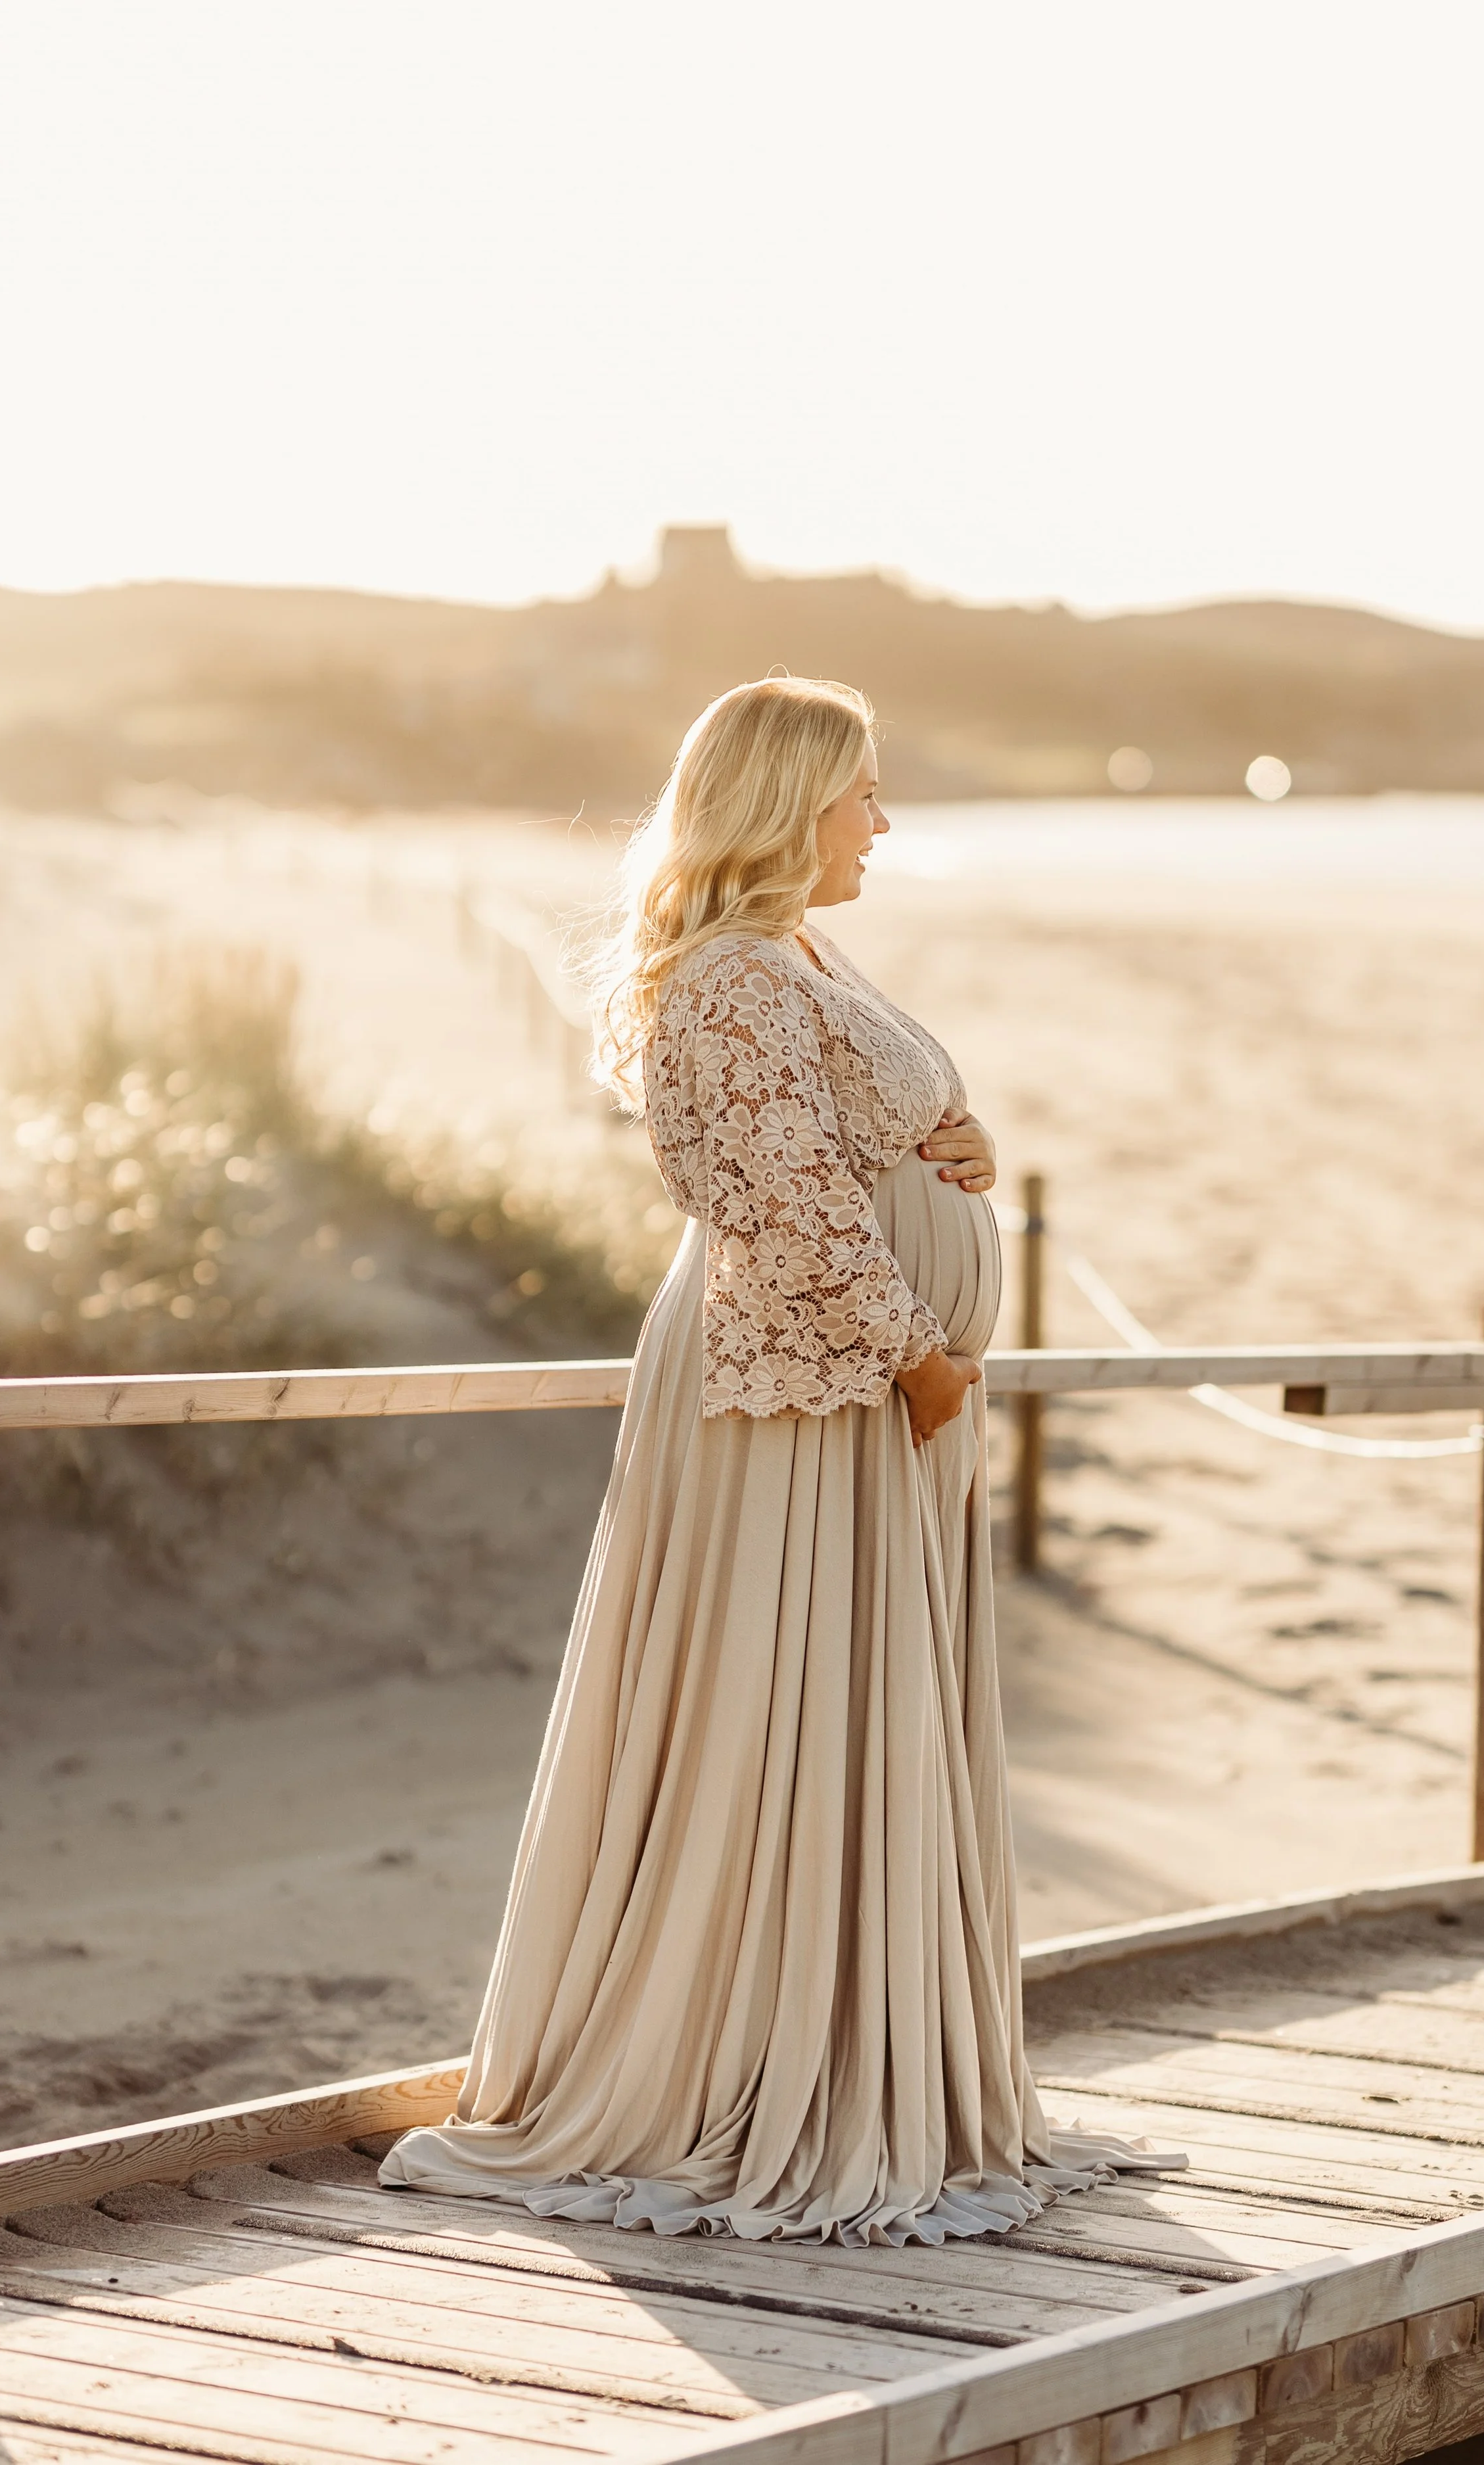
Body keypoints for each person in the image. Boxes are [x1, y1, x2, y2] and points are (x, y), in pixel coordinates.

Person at [382, 676, 1178, 2244]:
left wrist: (965, 1155)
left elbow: (861, 1135)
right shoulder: (733, 977)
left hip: (861, 1394)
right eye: (859, 793)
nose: (880, 822)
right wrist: (925, 1359)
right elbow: (788, 1202)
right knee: (783, 1702)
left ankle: (847, 2043)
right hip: (817, 1398)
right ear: (786, 803)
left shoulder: (797, 953)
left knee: (851, 1701)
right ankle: (756, 2065)